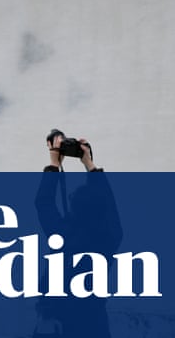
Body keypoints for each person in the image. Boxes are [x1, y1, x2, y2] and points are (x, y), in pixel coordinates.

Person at [32, 130, 122, 338]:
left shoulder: (64, 236)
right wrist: (90, 165)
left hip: (58, 322)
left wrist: (54, 164)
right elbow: (108, 204)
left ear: (74, 210)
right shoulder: (110, 237)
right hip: (94, 323)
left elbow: (43, 202)